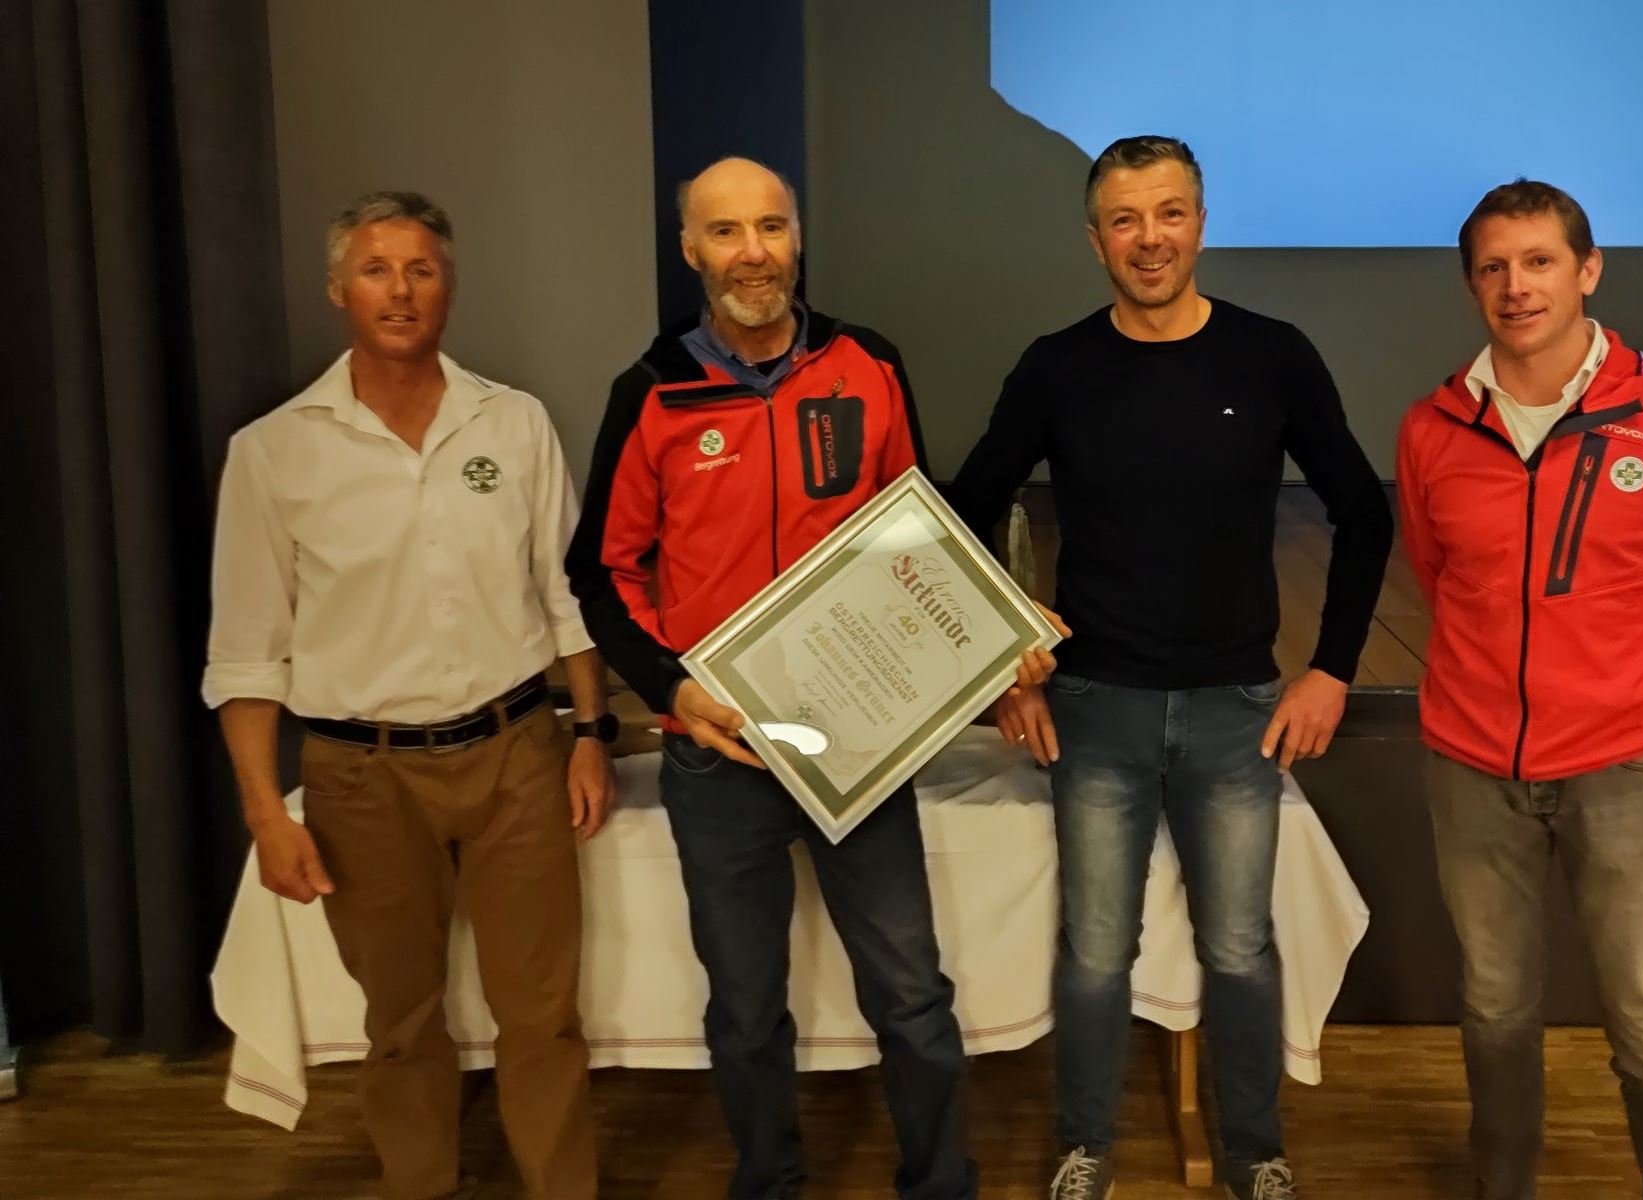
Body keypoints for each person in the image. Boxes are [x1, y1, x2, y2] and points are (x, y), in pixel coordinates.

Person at [565, 157, 1056, 1200]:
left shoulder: (865, 364)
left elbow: (918, 540)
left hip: (860, 746)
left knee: (911, 995)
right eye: (726, 232)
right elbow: (600, 573)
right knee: (745, 1012)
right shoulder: (650, 394)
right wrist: (671, 688)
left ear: (797, 237)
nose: (753, 253)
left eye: (771, 227)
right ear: (691, 250)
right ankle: (769, 1183)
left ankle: (940, 1185)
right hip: (721, 754)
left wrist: (991, 644)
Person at [944, 135, 1394, 1200]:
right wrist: (1003, 663)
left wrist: (1330, 669)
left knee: (1239, 950)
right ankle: (1084, 1148)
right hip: (1093, 707)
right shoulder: (1055, 366)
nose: (1149, 239)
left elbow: (1363, 512)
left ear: (1200, 222)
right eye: (1125, 219)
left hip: (1236, 708)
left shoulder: (1272, 355)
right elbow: (957, 516)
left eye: (1169, 213)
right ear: (1094, 238)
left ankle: (1255, 1153)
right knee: (1095, 952)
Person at [204, 191, 611, 1200]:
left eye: (421, 270)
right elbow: (247, 653)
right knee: (400, 1022)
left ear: (449, 287)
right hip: (362, 774)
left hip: (517, 754)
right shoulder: (273, 451)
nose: (400, 291)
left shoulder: (512, 423)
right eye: (377, 270)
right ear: (338, 290)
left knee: (542, 1017)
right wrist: (265, 812)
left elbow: (567, 595)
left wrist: (592, 733)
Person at [1394, 178, 1643, 1199]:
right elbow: (1439, 575)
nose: (1516, 287)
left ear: (1587, 270)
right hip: (1473, 767)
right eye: (1492, 267)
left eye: (1539, 262)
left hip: (1626, 772)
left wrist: (1633, 694)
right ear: (1471, 285)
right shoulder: (1431, 427)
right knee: (1494, 1008)